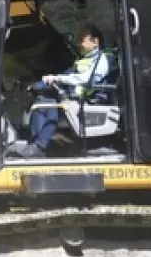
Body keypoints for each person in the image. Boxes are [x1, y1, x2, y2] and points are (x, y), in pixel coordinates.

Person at [21, 24, 110, 158]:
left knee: (50, 106)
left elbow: (85, 79)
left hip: (84, 98)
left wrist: (58, 78)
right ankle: (35, 144)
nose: (79, 43)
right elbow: (68, 75)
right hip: (71, 94)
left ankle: (39, 145)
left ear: (95, 42)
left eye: (82, 40)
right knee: (40, 104)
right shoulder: (85, 59)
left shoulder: (101, 61)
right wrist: (39, 85)